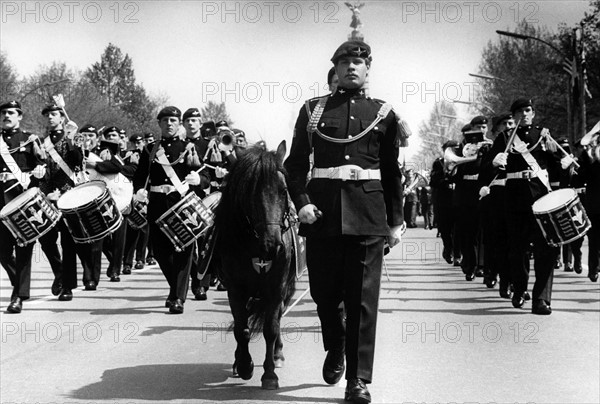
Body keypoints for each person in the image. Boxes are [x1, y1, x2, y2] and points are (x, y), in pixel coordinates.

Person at [284, 40, 405, 404]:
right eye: (345, 62)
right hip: (322, 215)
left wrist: (395, 221)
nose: (351, 67)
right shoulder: (312, 110)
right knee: (324, 296)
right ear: (335, 69)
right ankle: (335, 345)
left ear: (368, 69)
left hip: (368, 217)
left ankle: (359, 380)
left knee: (363, 302)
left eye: (358, 62)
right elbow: (294, 165)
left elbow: (391, 172)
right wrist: (301, 203)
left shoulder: (384, 113)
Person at [485, 98, 565, 314]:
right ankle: (519, 289)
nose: (525, 114)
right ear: (513, 116)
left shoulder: (543, 135)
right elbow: (487, 171)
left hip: (542, 199)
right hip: (515, 199)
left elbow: (559, 166)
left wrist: (562, 161)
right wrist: (494, 163)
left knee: (546, 249)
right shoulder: (503, 139)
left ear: (533, 113)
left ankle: (541, 299)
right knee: (517, 250)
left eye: (528, 110)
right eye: (520, 111)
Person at [133, 106, 210, 314]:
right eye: (165, 120)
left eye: (174, 120)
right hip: (157, 204)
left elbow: (205, 177)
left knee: (184, 252)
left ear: (179, 124)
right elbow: (140, 175)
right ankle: (175, 287)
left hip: (181, 203)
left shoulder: (188, 147)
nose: (169, 123)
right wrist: (138, 190)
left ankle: (177, 297)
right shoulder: (150, 149)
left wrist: (199, 180)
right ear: (159, 123)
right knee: (160, 252)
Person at [37, 103, 87, 301]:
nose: (50, 117)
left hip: (68, 195)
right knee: (46, 239)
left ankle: (67, 286)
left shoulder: (72, 138)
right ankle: (59, 271)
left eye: (54, 114)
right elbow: (39, 169)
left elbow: (77, 161)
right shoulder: (41, 142)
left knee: (68, 242)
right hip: (47, 197)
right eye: (47, 114)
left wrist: (72, 138)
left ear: (61, 118)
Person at [0, 100, 46, 313]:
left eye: (11, 113)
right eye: (3, 113)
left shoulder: (30, 139)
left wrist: (39, 172)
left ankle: (17, 295)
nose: (6, 116)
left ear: (19, 116)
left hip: (21, 200)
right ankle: (18, 283)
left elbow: (43, 165)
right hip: (1, 202)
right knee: (2, 251)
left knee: (23, 248)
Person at [480, 113, 515, 296]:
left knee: (517, 244)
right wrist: (493, 164)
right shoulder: (493, 147)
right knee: (497, 242)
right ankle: (500, 278)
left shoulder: (524, 144)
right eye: (504, 124)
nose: (509, 126)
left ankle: (517, 284)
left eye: (511, 123)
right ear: (496, 129)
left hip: (519, 196)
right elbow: (483, 173)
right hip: (497, 198)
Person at [182, 107, 212, 300]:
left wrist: (200, 180)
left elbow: (212, 175)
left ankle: (201, 284)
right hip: (181, 199)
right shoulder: (179, 145)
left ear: (200, 124)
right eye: (188, 121)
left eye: (195, 121)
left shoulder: (210, 146)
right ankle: (191, 279)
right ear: (183, 124)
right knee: (186, 244)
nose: (191, 124)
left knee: (204, 244)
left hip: (202, 199)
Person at [430, 140, 459, 265]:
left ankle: (457, 254)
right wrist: (445, 178)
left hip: (457, 200)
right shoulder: (438, 163)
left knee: (458, 229)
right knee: (445, 229)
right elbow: (433, 181)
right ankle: (448, 248)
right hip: (443, 201)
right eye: (450, 149)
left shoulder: (462, 161)